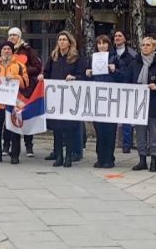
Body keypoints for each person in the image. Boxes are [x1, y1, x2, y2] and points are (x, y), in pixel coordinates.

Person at [42, 31, 84, 167]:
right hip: (56, 98)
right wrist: (42, 76)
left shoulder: (76, 58)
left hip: (70, 98)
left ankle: (69, 156)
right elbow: (46, 72)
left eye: (64, 39)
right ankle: (59, 155)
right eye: (60, 39)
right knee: (57, 129)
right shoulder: (54, 57)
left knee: (69, 128)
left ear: (69, 42)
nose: (61, 42)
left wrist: (74, 78)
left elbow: (82, 75)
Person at [132, 37, 156, 173]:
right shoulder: (135, 63)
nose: (145, 47)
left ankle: (154, 160)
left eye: (148, 45)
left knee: (154, 133)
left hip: (154, 103)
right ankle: (142, 159)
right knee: (140, 133)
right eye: (143, 45)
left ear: (154, 48)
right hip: (138, 103)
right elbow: (127, 80)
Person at [86, 35, 120, 169]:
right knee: (99, 129)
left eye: (104, 43)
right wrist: (88, 73)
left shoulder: (115, 58)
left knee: (110, 129)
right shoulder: (92, 58)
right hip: (96, 97)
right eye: (99, 43)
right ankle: (100, 157)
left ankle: (109, 158)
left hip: (110, 98)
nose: (101, 46)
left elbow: (123, 76)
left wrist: (114, 70)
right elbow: (86, 78)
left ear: (108, 45)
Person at [0, 41, 28, 164]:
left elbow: (26, 83)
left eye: (9, 49)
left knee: (14, 130)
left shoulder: (20, 65)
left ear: (12, 51)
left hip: (14, 103)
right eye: (4, 49)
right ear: (0, 51)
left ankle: (15, 155)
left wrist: (16, 77)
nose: (6, 51)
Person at [7, 28, 40, 157]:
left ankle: (29, 145)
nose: (12, 37)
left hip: (25, 88)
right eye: (10, 35)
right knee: (10, 116)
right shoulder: (6, 49)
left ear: (20, 36)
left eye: (14, 35)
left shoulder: (28, 50)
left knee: (25, 116)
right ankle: (7, 145)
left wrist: (23, 70)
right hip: (9, 89)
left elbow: (37, 67)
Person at [112, 31, 139, 154]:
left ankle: (127, 144)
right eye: (116, 36)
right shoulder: (110, 53)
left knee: (126, 116)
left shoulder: (132, 54)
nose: (117, 38)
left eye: (120, 36)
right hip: (111, 87)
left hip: (126, 87)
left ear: (124, 39)